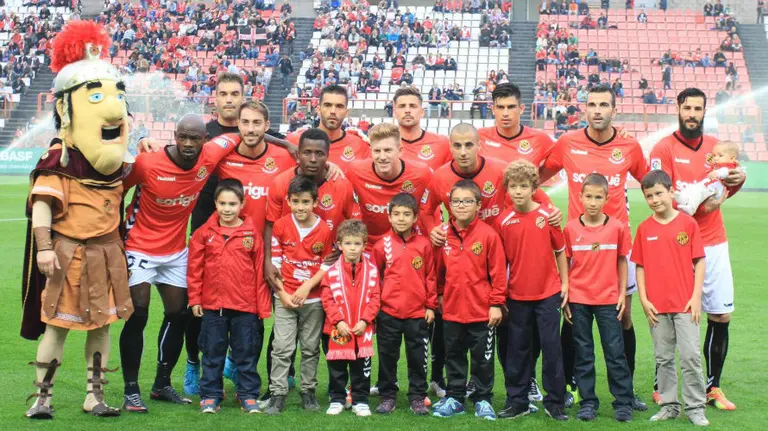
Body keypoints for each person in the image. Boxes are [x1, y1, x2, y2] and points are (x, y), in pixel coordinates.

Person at [22, 21, 133, 419]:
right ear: (66, 108)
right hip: (68, 254)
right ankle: (42, 398)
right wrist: (46, 248)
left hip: (106, 254)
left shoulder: (116, 162)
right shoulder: (60, 158)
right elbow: (41, 205)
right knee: (57, 326)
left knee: (102, 328)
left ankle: (94, 395)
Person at [120, 115, 240, 412]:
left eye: (194, 138)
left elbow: (241, 134)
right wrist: (113, 233)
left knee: (179, 313)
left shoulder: (210, 155)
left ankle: (161, 384)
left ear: (204, 140)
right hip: (139, 246)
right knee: (138, 313)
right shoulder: (148, 164)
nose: (188, 144)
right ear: (174, 136)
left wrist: (287, 148)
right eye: (182, 137)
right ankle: (131, 390)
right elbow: (117, 190)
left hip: (175, 251)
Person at [184, 73, 295, 395]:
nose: (248, 127)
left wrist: (290, 145)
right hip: (217, 242)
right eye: (224, 94)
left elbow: (304, 160)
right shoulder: (217, 146)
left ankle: (254, 375)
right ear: (214, 98)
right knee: (206, 312)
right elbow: (187, 152)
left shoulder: (282, 153)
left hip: (262, 249)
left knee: (259, 316)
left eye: (236, 94)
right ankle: (200, 370)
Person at [542, 85, 649, 411]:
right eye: (592, 104)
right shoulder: (568, 143)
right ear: (584, 109)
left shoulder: (629, 145)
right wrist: (548, 210)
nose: (598, 110)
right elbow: (535, 178)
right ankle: (570, 386)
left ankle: (626, 390)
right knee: (572, 316)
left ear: (614, 110)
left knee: (624, 317)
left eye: (604, 104)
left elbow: (651, 184)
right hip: (577, 249)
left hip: (617, 249)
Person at [649, 88, 746, 410]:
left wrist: (736, 182)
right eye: (687, 107)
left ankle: (712, 387)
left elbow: (727, 185)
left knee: (720, 314)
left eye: (698, 108)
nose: (693, 113)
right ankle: (661, 384)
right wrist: (690, 202)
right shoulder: (664, 147)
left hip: (714, 241)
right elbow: (661, 192)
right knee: (672, 313)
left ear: (705, 111)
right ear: (678, 108)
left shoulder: (716, 147)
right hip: (677, 242)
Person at [632, 170, 709, 427]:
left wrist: (696, 297)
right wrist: (644, 299)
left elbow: (699, 261)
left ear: (670, 191)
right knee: (663, 358)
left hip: (685, 304)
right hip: (657, 306)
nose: (655, 200)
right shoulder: (644, 229)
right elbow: (639, 266)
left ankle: (696, 408)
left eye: (659, 193)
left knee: (690, 356)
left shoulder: (688, 224)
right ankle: (669, 406)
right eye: (649, 196)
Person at [187, 179, 271, 414]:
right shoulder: (204, 233)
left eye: (232, 204)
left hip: (245, 307)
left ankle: (247, 395)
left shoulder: (252, 235)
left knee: (246, 353)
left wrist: (261, 308)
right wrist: (194, 299)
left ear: (242, 204)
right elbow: (195, 268)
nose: (227, 209)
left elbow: (259, 275)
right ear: (215, 203)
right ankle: (211, 395)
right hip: (213, 306)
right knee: (212, 353)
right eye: (222, 203)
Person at [495, 161, 569, 421]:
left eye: (523, 186)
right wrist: (500, 295)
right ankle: (518, 401)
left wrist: (565, 284)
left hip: (548, 294)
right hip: (517, 296)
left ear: (534, 188)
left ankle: (555, 402)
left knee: (552, 349)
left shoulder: (548, 215)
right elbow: (500, 262)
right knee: (518, 350)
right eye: (513, 186)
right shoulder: (503, 221)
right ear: (507, 189)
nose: (518, 191)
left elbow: (560, 251)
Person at [431, 180, 506, 420]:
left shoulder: (488, 235)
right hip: (452, 311)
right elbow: (437, 271)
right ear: (449, 205)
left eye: (467, 201)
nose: (461, 206)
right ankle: (455, 398)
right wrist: (440, 295)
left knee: (482, 359)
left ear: (478, 205)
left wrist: (496, 304)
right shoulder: (442, 235)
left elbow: (498, 273)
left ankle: (483, 399)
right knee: (454, 356)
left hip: (482, 312)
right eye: (456, 201)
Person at [564, 173, 634, 422]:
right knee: (583, 353)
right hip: (579, 300)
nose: (592, 202)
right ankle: (588, 402)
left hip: (608, 300)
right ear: (580, 197)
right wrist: (567, 296)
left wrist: (623, 294)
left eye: (598, 197)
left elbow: (621, 261)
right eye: (588, 197)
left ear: (607, 198)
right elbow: (566, 262)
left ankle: (623, 402)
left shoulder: (617, 227)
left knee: (615, 352)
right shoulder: (570, 228)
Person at [264, 176, 334, 415]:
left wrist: (307, 288)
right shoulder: (282, 225)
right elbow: (275, 264)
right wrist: (282, 294)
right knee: (282, 347)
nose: (300, 207)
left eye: (306, 201)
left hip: (313, 301)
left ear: (315, 202)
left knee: (311, 348)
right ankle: (278, 393)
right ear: (288, 201)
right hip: (285, 298)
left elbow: (327, 264)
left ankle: (308, 392)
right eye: (296, 201)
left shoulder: (324, 229)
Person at [371, 193, 437, 415]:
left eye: (406, 214)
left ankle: (418, 397)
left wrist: (430, 306)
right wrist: (377, 308)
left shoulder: (424, 245)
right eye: (396, 214)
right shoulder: (382, 246)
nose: (401, 219)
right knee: (388, 357)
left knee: (418, 358)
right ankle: (387, 396)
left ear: (415, 217)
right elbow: (376, 277)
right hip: (388, 313)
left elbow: (430, 276)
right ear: (389, 217)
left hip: (417, 314)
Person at [321, 220, 381, 416]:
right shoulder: (331, 273)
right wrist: (338, 321)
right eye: (348, 243)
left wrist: (365, 320)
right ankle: (338, 398)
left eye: (357, 244)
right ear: (339, 245)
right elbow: (327, 299)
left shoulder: (372, 271)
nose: (352, 248)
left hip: (362, 328)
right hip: (339, 328)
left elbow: (375, 298)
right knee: (337, 368)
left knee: (361, 368)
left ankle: (360, 400)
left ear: (364, 245)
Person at [345, 123, 432, 250]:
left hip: (406, 246)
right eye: (377, 151)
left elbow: (432, 207)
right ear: (371, 151)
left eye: (388, 150)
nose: (382, 157)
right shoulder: (355, 171)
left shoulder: (421, 173)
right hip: (367, 246)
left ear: (400, 151)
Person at [286, 84, 371, 170]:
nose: (333, 111)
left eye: (339, 106)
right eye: (327, 105)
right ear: (318, 110)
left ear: (346, 113)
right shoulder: (295, 141)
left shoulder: (361, 146)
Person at [478, 83, 556, 167]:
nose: (505, 113)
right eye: (500, 107)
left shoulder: (540, 139)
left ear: (521, 109)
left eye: (511, 107)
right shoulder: (479, 137)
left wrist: (537, 178)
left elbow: (557, 164)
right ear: (493, 109)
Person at [674, 140, 743, 216]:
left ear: (732, 158)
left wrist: (717, 173)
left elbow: (725, 172)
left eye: (720, 155)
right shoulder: (717, 165)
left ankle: (691, 208)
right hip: (711, 186)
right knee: (694, 187)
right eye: (714, 156)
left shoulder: (729, 165)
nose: (716, 158)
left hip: (717, 190)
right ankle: (684, 199)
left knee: (700, 192)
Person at [392, 86, 452, 170]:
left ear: (422, 112)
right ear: (394, 112)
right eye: (402, 106)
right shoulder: (381, 147)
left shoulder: (443, 144)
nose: (407, 110)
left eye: (412, 106)